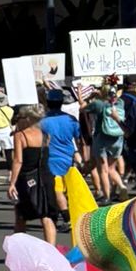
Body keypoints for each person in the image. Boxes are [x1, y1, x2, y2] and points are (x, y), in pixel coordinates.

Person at [8, 103, 55, 244]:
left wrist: (12, 183)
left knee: (21, 216)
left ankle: (19, 249)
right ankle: (51, 250)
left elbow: (18, 160)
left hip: (26, 177)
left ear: (28, 119)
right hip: (45, 177)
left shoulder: (20, 135)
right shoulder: (46, 135)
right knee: (46, 216)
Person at [40, 86, 82, 224]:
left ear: (48, 102)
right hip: (69, 157)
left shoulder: (42, 121)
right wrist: (79, 154)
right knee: (68, 188)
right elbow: (79, 139)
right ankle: (73, 213)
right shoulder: (71, 119)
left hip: (51, 158)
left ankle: (66, 217)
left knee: (57, 189)